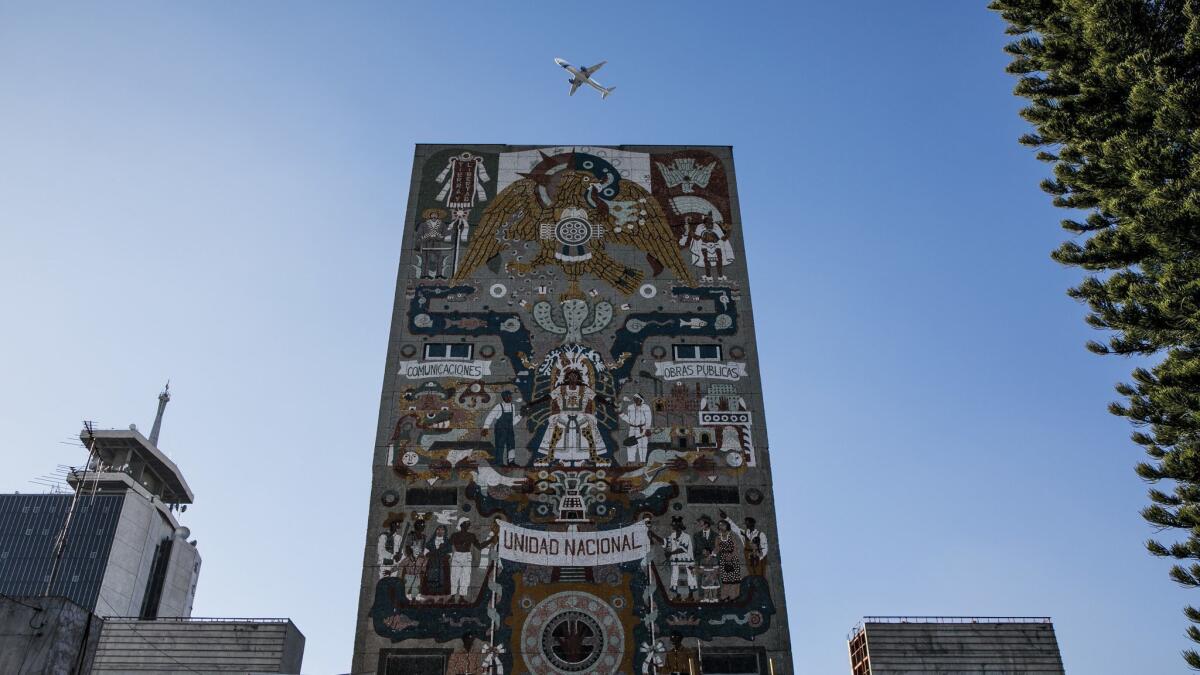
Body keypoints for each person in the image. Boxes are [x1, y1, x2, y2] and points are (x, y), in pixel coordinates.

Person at [448, 519, 496, 602]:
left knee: (465, 577)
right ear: (461, 525)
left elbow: (479, 547)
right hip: (457, 555)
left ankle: (461, 597)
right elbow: (448, 545)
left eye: (468, 524)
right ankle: (452, 596)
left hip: (466, 556)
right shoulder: (455, 535)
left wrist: (490, 540)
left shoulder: (471, 536)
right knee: (454, 576)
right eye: (465, 524)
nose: (467, 526)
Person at [722, 511, 769, 577]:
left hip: (758, 558)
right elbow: (735, 528)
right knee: (751, 574)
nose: (746, 525)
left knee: (760, 575)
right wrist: (726, 518)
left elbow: (765, 548)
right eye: (746, 523)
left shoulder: (761, 534)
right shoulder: (745, 533)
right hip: (748, 556)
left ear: (752, 524)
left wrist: (758, 557)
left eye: (747, 523)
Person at [481, 391, 521, 465]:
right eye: (509, 396)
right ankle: (499, 462)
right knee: (500, 445)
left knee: (511, 445)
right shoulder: (499, 406)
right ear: (504, 397)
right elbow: (490, 416)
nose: (510, 397)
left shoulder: (513, 406)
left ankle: (511, 462)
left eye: (510, 396)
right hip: (500, 430)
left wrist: (520, 416)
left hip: (510, 429)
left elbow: (512, 422)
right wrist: (486, 427)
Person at [714, 516, 744, 600]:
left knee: (735, 580)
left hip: (733, 559)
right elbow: (717, 548)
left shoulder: (732, 536)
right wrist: (712, 555)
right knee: (726, 580)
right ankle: (725, 596)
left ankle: (734, 596)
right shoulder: (718, 538)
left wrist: (731, 556)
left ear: (727, 526)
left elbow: (736, 548)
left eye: (723, 525)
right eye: (720, 525)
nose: (721, 526)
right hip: (724, 559)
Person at [619, 393, 653, 464]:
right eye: (635, 399)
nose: (636, 400)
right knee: (631, 444)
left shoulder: (646, 407)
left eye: (638, 399)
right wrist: (622, 415)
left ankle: (643, 461)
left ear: (641, 400)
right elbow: (629, 419)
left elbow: (648, 418)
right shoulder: (630, 407)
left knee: (642, 445)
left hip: (642, 428)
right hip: (632, 428)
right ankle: (631, 460)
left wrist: (647, 429)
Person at [423, 524, 452, 597]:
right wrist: (435, 553)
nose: (440, 531)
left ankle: (441, 595)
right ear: (436, 531)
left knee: (442, 579)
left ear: (445, 531)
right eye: (438, 529)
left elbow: (450, 554)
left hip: (443, 564)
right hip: (432, 563)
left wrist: (442, 558)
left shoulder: (447, 542)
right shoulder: (430, 542)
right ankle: (430, 594)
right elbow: (426, 553)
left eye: (442, 530)